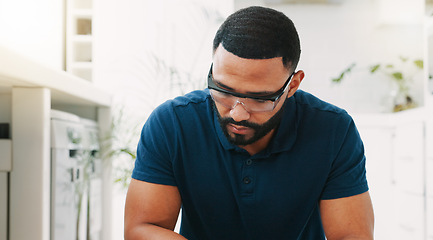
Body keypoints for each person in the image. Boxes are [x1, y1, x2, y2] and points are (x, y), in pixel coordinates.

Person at [124, 5, 374, 240]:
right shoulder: (172, 124)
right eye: (223, 90)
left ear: (293, 85)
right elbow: (142, 229)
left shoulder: (334, 131)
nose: (238, 113)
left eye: (259, 98)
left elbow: (351, 235)